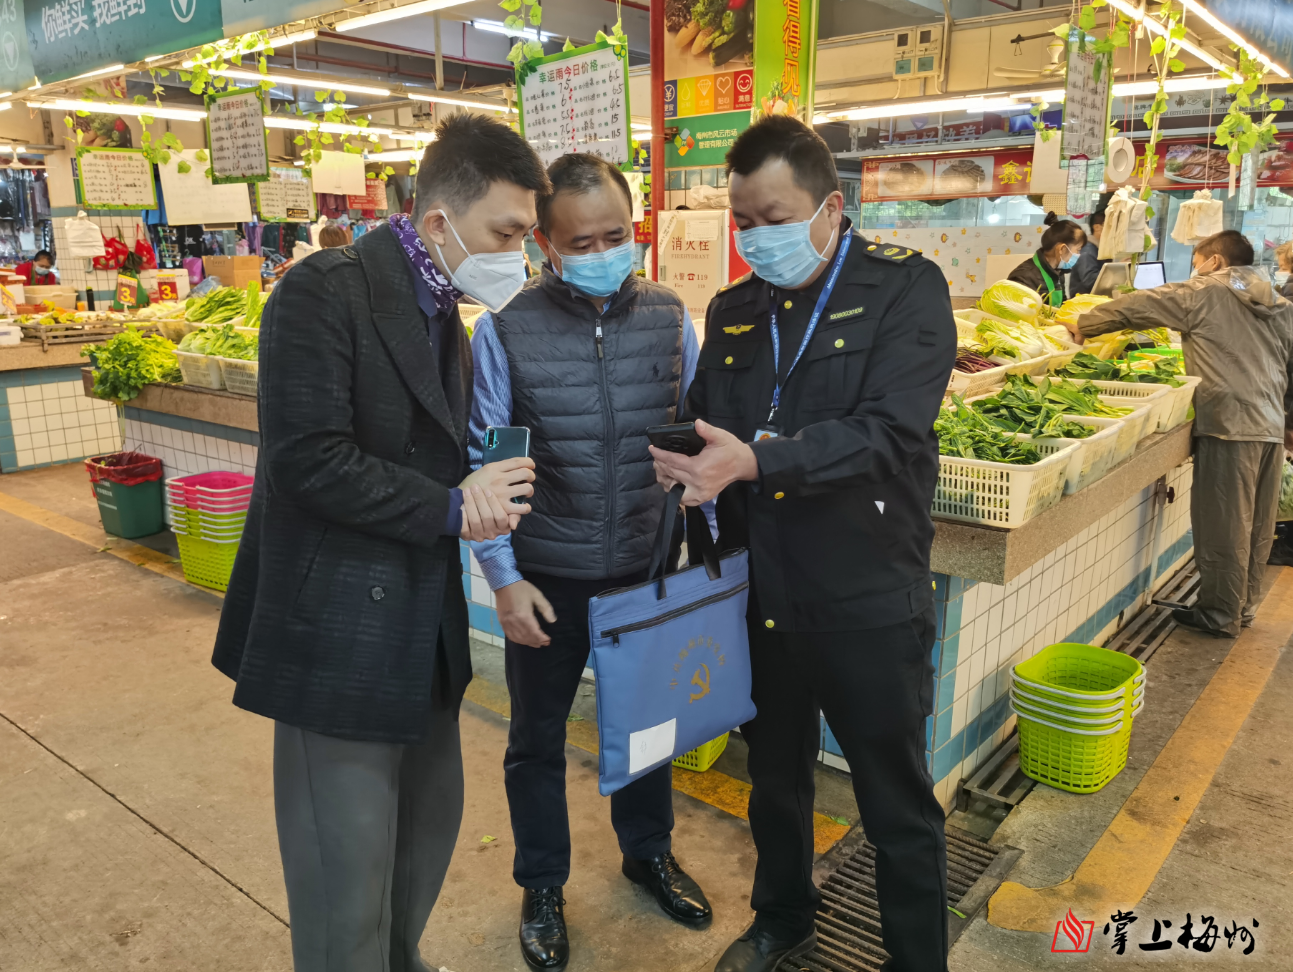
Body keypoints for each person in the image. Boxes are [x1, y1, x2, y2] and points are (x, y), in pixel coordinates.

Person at [210, 112, 548, 972]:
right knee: (345, 872)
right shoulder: (325, 291)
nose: (519, 256)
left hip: (420, 627)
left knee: (425, 830)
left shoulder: (446, 315)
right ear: (438, 220)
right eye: (506, 233)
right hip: (337, 629)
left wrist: (485, 489)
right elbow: (305, 460)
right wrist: (452, 506)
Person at [650, 114, 957, 972]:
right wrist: (676, 457)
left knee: (893, 799)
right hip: (762, 591)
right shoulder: (735, 309)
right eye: (742, 221)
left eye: (773, 218)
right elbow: (708, 417)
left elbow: (890, 433)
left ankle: (916, 959)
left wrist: (757, 459)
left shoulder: (904, 289)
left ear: (830, 208)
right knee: (773, 777)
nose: (756, 238)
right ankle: (783, 915)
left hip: (865, 592)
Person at [468, 152, 711, 972]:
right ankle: (542, 885)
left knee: (647, 729)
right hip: (547, 577)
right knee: (535, 740)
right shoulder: (505, 328)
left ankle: (648, 854)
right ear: (545, 243)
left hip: (643, 568)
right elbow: (490, 460)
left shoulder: (670, 317)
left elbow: (693, 432)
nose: (604, 252)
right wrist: (504, 580)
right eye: (582, 242)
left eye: (616, 235)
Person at [1067, 230, 1293, 638]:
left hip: (1227, 421)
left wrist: (1086, 323)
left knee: (1224, 521)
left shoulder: (1206, 291)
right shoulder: (1277, 301)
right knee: (1258, 523)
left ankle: (1219, 614)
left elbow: (1142, 304)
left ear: (1216, 261)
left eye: (1197, 261)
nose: (1196, 269)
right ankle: (1242, 606)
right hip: (1270, 419)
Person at [1007, 212, 1085, 306]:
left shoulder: (1058, 271)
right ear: (1062, 249)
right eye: (1078, 249)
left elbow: (1062, 304)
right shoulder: (1023, 277)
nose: (1078, 254)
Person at [1069, 211, 1107, 295]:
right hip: (1083, 301)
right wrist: (1114, 272)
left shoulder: (1098, 248)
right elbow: (1089, 281)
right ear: (1097, 227)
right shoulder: (1087, 250)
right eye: (1110, 226)